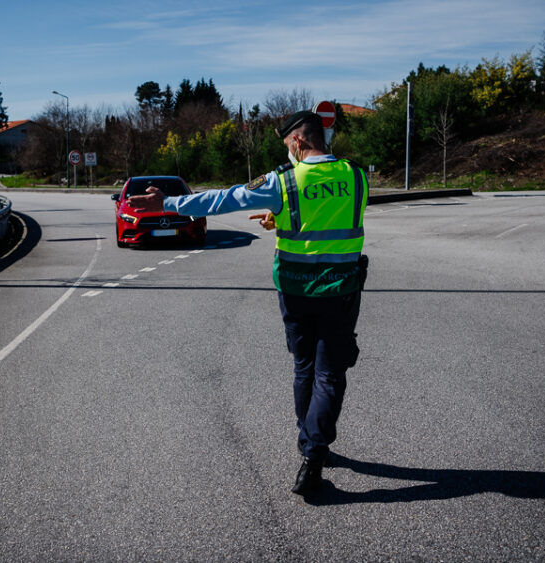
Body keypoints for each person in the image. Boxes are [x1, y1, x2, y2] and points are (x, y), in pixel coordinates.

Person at [125, 110, 368, 497]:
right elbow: (331, 216)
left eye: (287, 145)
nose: (288, 151)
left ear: (297, 141)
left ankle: (308, 441)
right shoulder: (357, 175)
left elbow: (225, 198)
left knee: (304, 368)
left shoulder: (284, 180)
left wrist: (167, 203)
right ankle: (314, 453)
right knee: (329, 375)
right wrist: (280, 218)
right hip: (340, 290)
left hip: (296, 291)